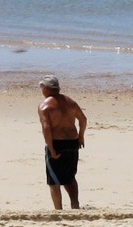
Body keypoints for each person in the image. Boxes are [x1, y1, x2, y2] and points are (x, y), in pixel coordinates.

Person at [37, 75, 87, 209]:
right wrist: (81, 136)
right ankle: (75, 205)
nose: (41, 90)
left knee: (54, 181)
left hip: (57, 144)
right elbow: (83, 119)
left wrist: (51, 149)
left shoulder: (44, 106)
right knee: (70, 177)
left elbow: (46, 128)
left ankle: (58, 210)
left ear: (47, 89)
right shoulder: (70, 102)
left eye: (42, 88)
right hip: (72, 143)